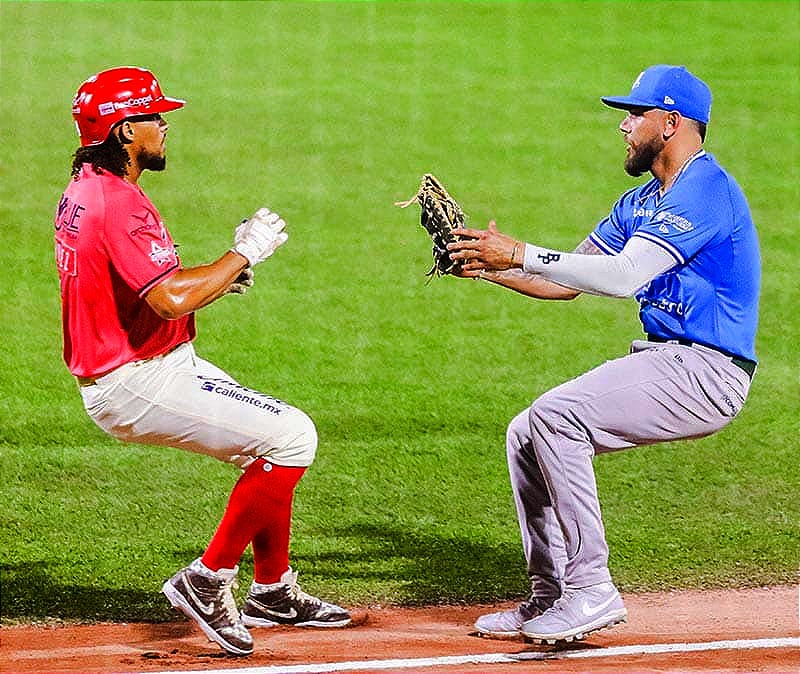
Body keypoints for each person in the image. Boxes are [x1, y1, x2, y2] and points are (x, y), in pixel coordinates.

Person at [447, 65, 760, 644]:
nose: (624, 125)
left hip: (709, 372)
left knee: (556, 417)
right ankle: (552, 594)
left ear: (670, 123)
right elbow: (566, 280)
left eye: (635, 114)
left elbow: (622, 277)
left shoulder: (705, 190)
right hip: (668, 360)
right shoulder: (640, 200)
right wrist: (489, 267)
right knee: (526, 432)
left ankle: (591, 588)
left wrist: (518, 248)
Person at [55, 66, 351, 657]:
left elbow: (145, 283)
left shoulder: (87, 185)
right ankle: (208, 579)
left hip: (147, 364)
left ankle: (272, 588)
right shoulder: (118, 202)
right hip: (135, 379)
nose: (164, 127)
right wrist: (242, 251)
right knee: (292, 437)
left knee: (273, 443)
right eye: (154, 118)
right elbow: (168, 297)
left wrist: (221, 277)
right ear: (123, 130)